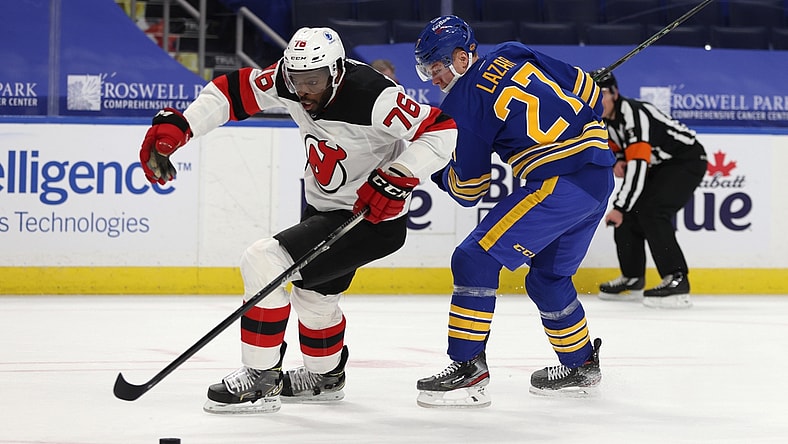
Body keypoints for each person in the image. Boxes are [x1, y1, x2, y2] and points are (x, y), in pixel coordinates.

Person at [138, 26, 457, 414]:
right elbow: (230, 92)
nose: (303, 90)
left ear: (337, 72)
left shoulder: (374, 96)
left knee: (263, 260)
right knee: (314, 298)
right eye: (297, 80)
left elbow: (441, 129)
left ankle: (260, 377)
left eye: (314, 81)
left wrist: (400, 174)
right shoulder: (290, 79)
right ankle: (325, 378)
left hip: (369, 218)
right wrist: (183, 127)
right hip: (323, 208)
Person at [411, 15, 616, 407]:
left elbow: (470, 189)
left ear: (459, 57)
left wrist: (434, 167)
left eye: (436, 68)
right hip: (597, 178)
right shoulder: (512, 50)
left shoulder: (460, 101)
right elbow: (591, 94)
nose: (434, 78)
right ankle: (580, 365)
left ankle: (467, 368)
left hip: (559, 182)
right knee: (548, 279)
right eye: (427, 71)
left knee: (473, 259)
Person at [594, 70, 707, 309]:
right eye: (590, 96)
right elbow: (619, 155)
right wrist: (616, 161)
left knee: (652, 212)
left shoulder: (635, 115)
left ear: (614, 93)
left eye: (600, 95)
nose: (594, 101)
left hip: (685, 160)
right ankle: (633, 277)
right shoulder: (604, 122)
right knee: (629, 216)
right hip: (659, 165)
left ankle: (677, 278)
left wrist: (619, 207)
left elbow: (637, 167)